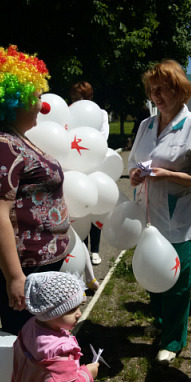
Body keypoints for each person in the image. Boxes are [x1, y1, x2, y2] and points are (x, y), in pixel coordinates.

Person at [0, 46, 70, 336]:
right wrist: (15, 278)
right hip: (25, 272)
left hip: (38, 268)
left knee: (41, 340)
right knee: (25, 341)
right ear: (16, 100)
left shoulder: (15, 138)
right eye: (36, 98)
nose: (42, 106)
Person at [128, 59, 191, 364]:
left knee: (178, 282)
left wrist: (168, 175)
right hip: (147, 214)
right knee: (151, 271)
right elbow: (133, 162)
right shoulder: (146, 124)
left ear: (179, 90)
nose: (156, 96)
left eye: (162, 89)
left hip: (177, 217)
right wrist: (135, 174)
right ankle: (162, 322)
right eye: (152, 90)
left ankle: (174, 340)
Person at [69, 81, 109, 266]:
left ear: (89, 98)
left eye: (80, 98)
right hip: (75, 165)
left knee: (95, 208)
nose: (76, 102)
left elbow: (103, 138)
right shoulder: (69, 113)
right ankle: (83, 249)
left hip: (94, 165)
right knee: (80, 207)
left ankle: (95, 250)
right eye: (74, 98)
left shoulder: (100, 114)